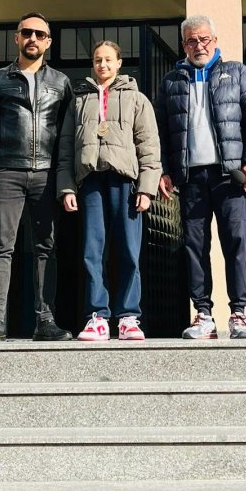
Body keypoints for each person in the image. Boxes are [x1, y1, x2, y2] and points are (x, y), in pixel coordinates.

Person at [155, 15, 246, 340]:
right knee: (194, 246)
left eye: (204, 39)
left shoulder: (238, 73)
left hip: (229, 176)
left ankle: (238, 314)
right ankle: (203, 314)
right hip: (190, 177)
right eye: (192, 40)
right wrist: (164, 169)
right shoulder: (171, 81)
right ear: (184, 45)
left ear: (215, 41)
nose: (199, 46)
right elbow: (160, 129)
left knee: (236, 243)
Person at [0, 12, 73, 342]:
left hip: (47, 173)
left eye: (40, 34)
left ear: (48, 42)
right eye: (27, 32)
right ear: (17, 38)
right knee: (1, 246)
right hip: (6, 172)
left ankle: (45, 321)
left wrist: (66, 179)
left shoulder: (61, 82)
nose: (33, 38)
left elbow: (68, 135)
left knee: (46, 247)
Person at [57, 41, 161, 341]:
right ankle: (97, 317)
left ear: (119, 63)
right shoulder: (78, 101)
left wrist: (147, 188)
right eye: (97, 60)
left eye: (107, 60)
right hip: (90, 182)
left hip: (125, 183)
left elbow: (148, 146)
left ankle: (128, 317)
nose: (102, 65)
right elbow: (66, 148)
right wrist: (67, 187)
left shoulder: (137, 99)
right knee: (92, 251)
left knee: (128, 250)